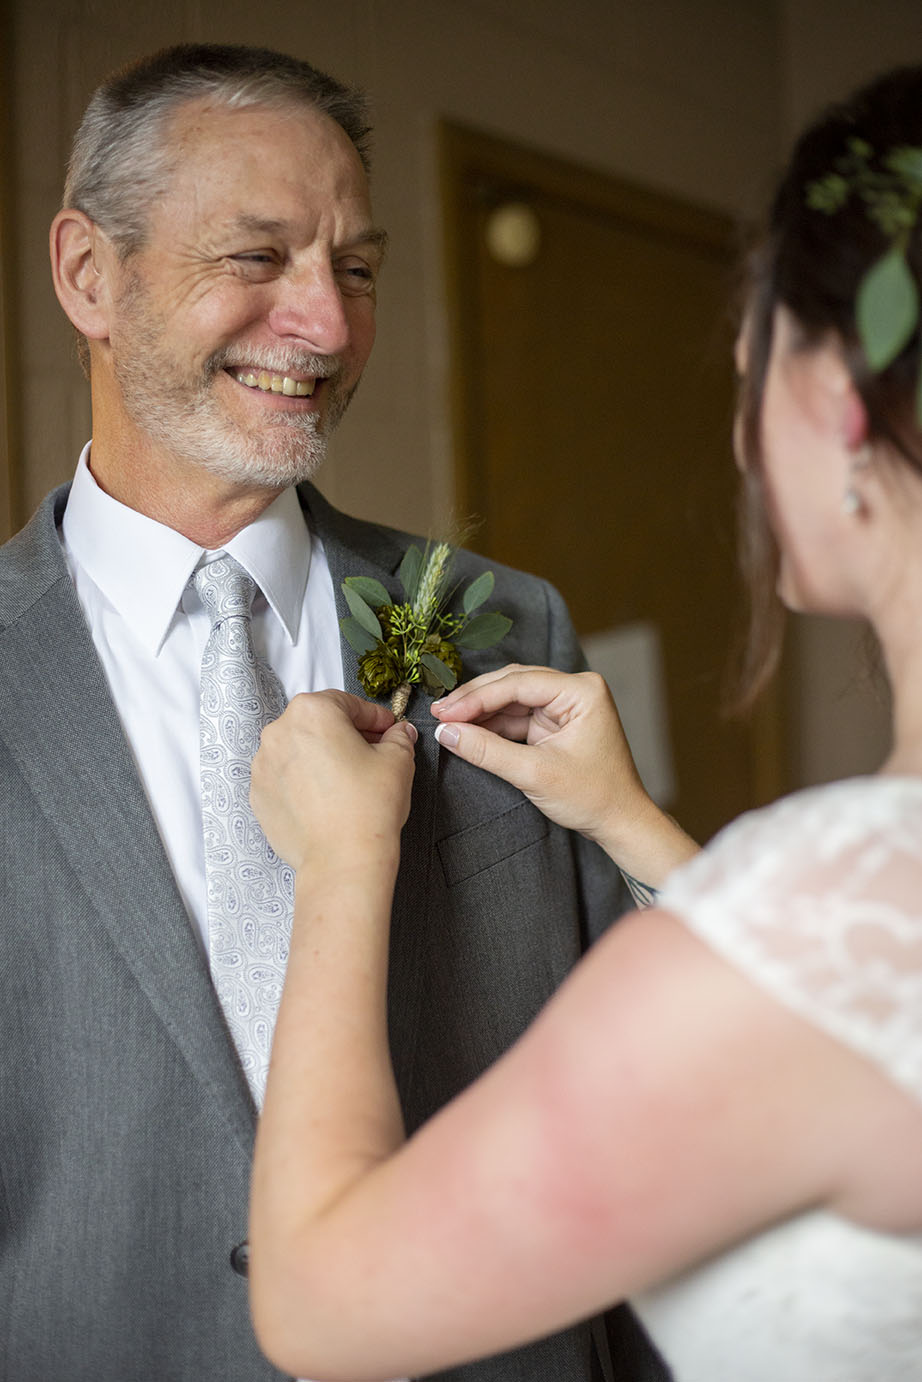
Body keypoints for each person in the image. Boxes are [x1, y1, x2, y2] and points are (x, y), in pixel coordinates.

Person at [0, 42, 669, 1382]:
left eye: (354, 269)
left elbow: (639, 1079)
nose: (324, 325)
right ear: (90, 274)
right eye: (256, 260)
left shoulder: (506, 621)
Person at [247, 63, 922, 1382]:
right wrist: (630, 825)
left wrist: (339, 862)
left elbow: (321, 1298)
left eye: (751, 368)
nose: (738, 442)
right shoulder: (840, 916)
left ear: (840, 401)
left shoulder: (816, 907)